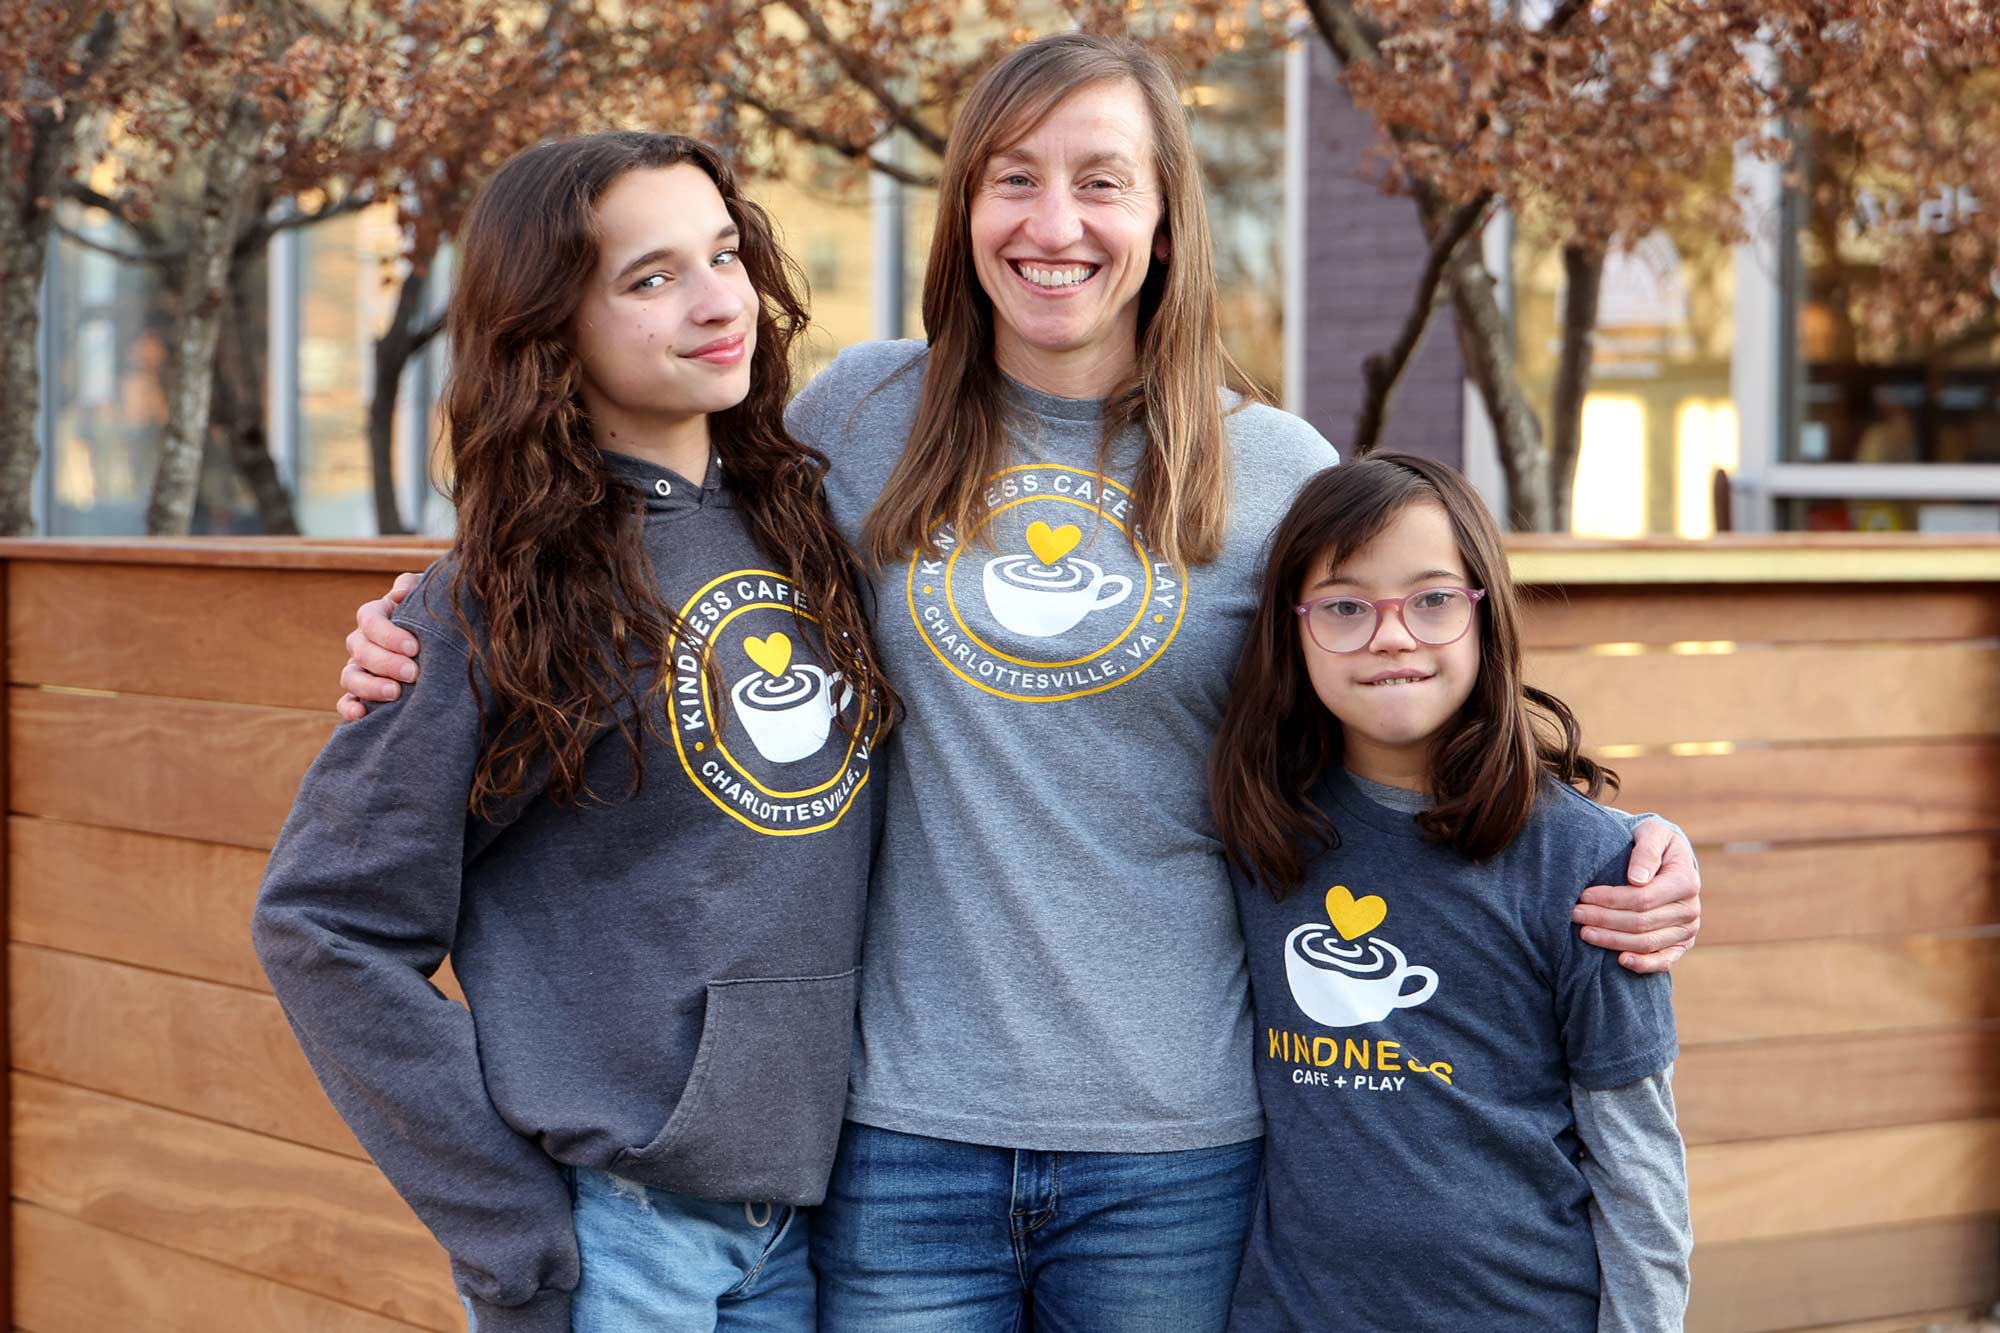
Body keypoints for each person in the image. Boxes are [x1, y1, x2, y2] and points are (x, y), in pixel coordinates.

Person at [334, 34, 1702, 1330]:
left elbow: (1402, 682)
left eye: (1103, 183)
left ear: (1166, 221)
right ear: (966, 209)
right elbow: (641, 533)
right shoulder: (853, 420)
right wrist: (431, 615)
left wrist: (1609, 843)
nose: (1058, 225)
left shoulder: (1274, 466)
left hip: (1179, 1146)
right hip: (898, 1135)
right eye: (1016, 180)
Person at [254, 131, 895, 1332]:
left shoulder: (808, 528)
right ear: (553, 328)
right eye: (651, 278)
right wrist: (509, 1225)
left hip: (809, 1212)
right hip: (620, 1232)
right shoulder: (496, 598)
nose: (719, 302)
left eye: (724, 254)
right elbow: (323, 922)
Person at [1209, 453, 1691, 1332]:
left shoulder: (1589, 864)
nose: (1392, 634)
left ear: (1484, 615)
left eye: (1431, 599)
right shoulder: (1257, 828)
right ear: (1294, 628)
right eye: (1346, 606)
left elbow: (1638, 1159)